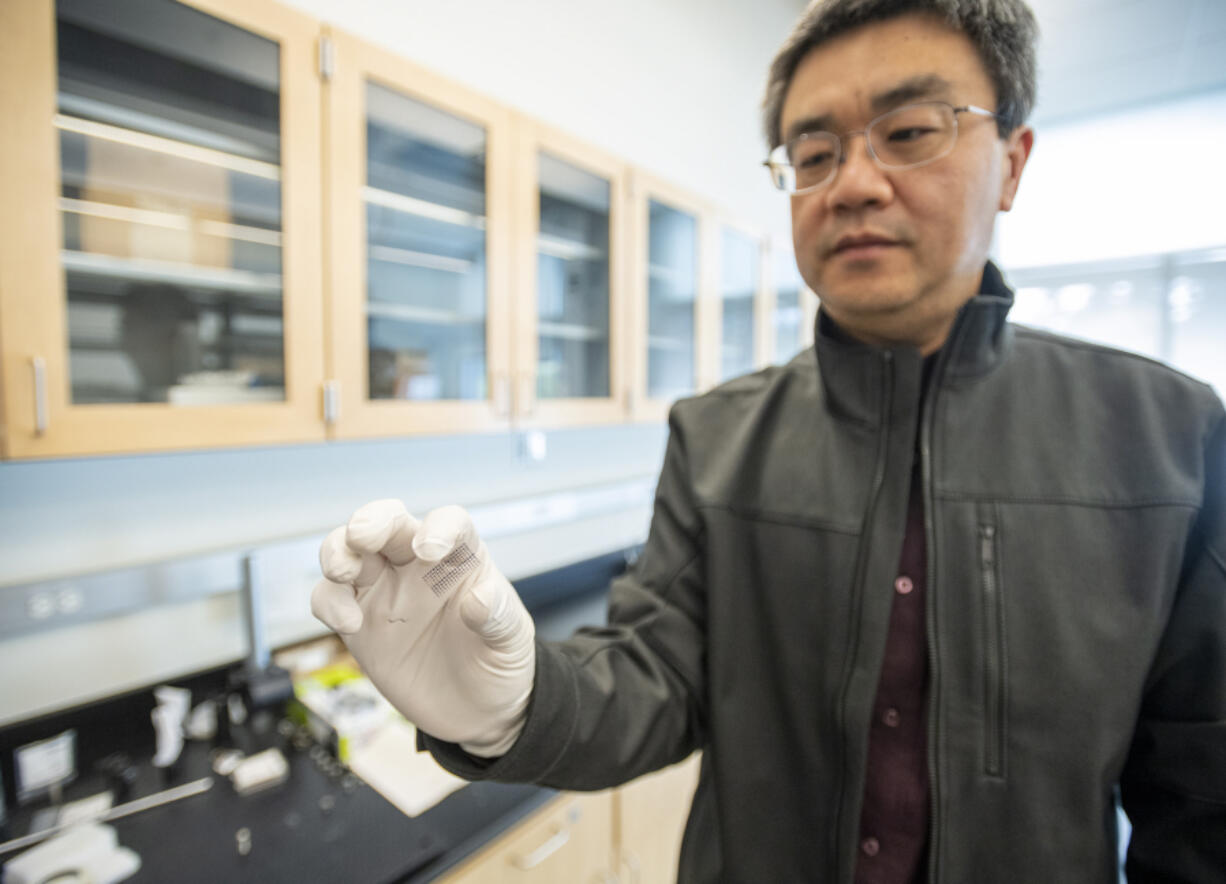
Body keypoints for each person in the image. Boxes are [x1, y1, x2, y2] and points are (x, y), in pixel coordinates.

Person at [311, 0, 1226, 880]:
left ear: (1014, 161)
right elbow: (656, 672)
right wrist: (512, 705)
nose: (855, 184)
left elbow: (1199, 795)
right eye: (815, 152)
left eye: (909, 132)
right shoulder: (716, 436)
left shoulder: (1170, 442)